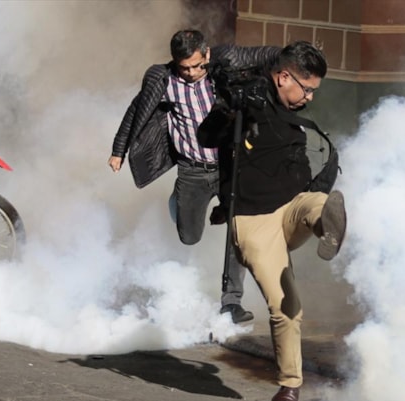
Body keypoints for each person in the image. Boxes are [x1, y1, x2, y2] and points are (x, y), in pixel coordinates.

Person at [199, 41, 347, 401]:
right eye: (306, 89)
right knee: (286, 306)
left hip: (293, 208)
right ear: (283, 78)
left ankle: (328, 226)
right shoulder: (247, 101)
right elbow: (207, 137)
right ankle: (289, 385)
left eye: (314, 90)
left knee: (318, 203)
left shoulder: (291, 111)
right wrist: (228, 110)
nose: (309, 97)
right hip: (254, 222)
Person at [108, 30, 281, 324]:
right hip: (192, 171)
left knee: (240, 230)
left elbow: (261, 55)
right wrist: (118, 151)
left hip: (228, 167)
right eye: (184, 67)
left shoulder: (223, 68)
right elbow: (134, 112)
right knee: (190, 236)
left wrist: (293, 57)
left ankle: (231, 302)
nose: (190, 73)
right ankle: (181, 201)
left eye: (197, 66)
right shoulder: (163, 81)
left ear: (207, 54)